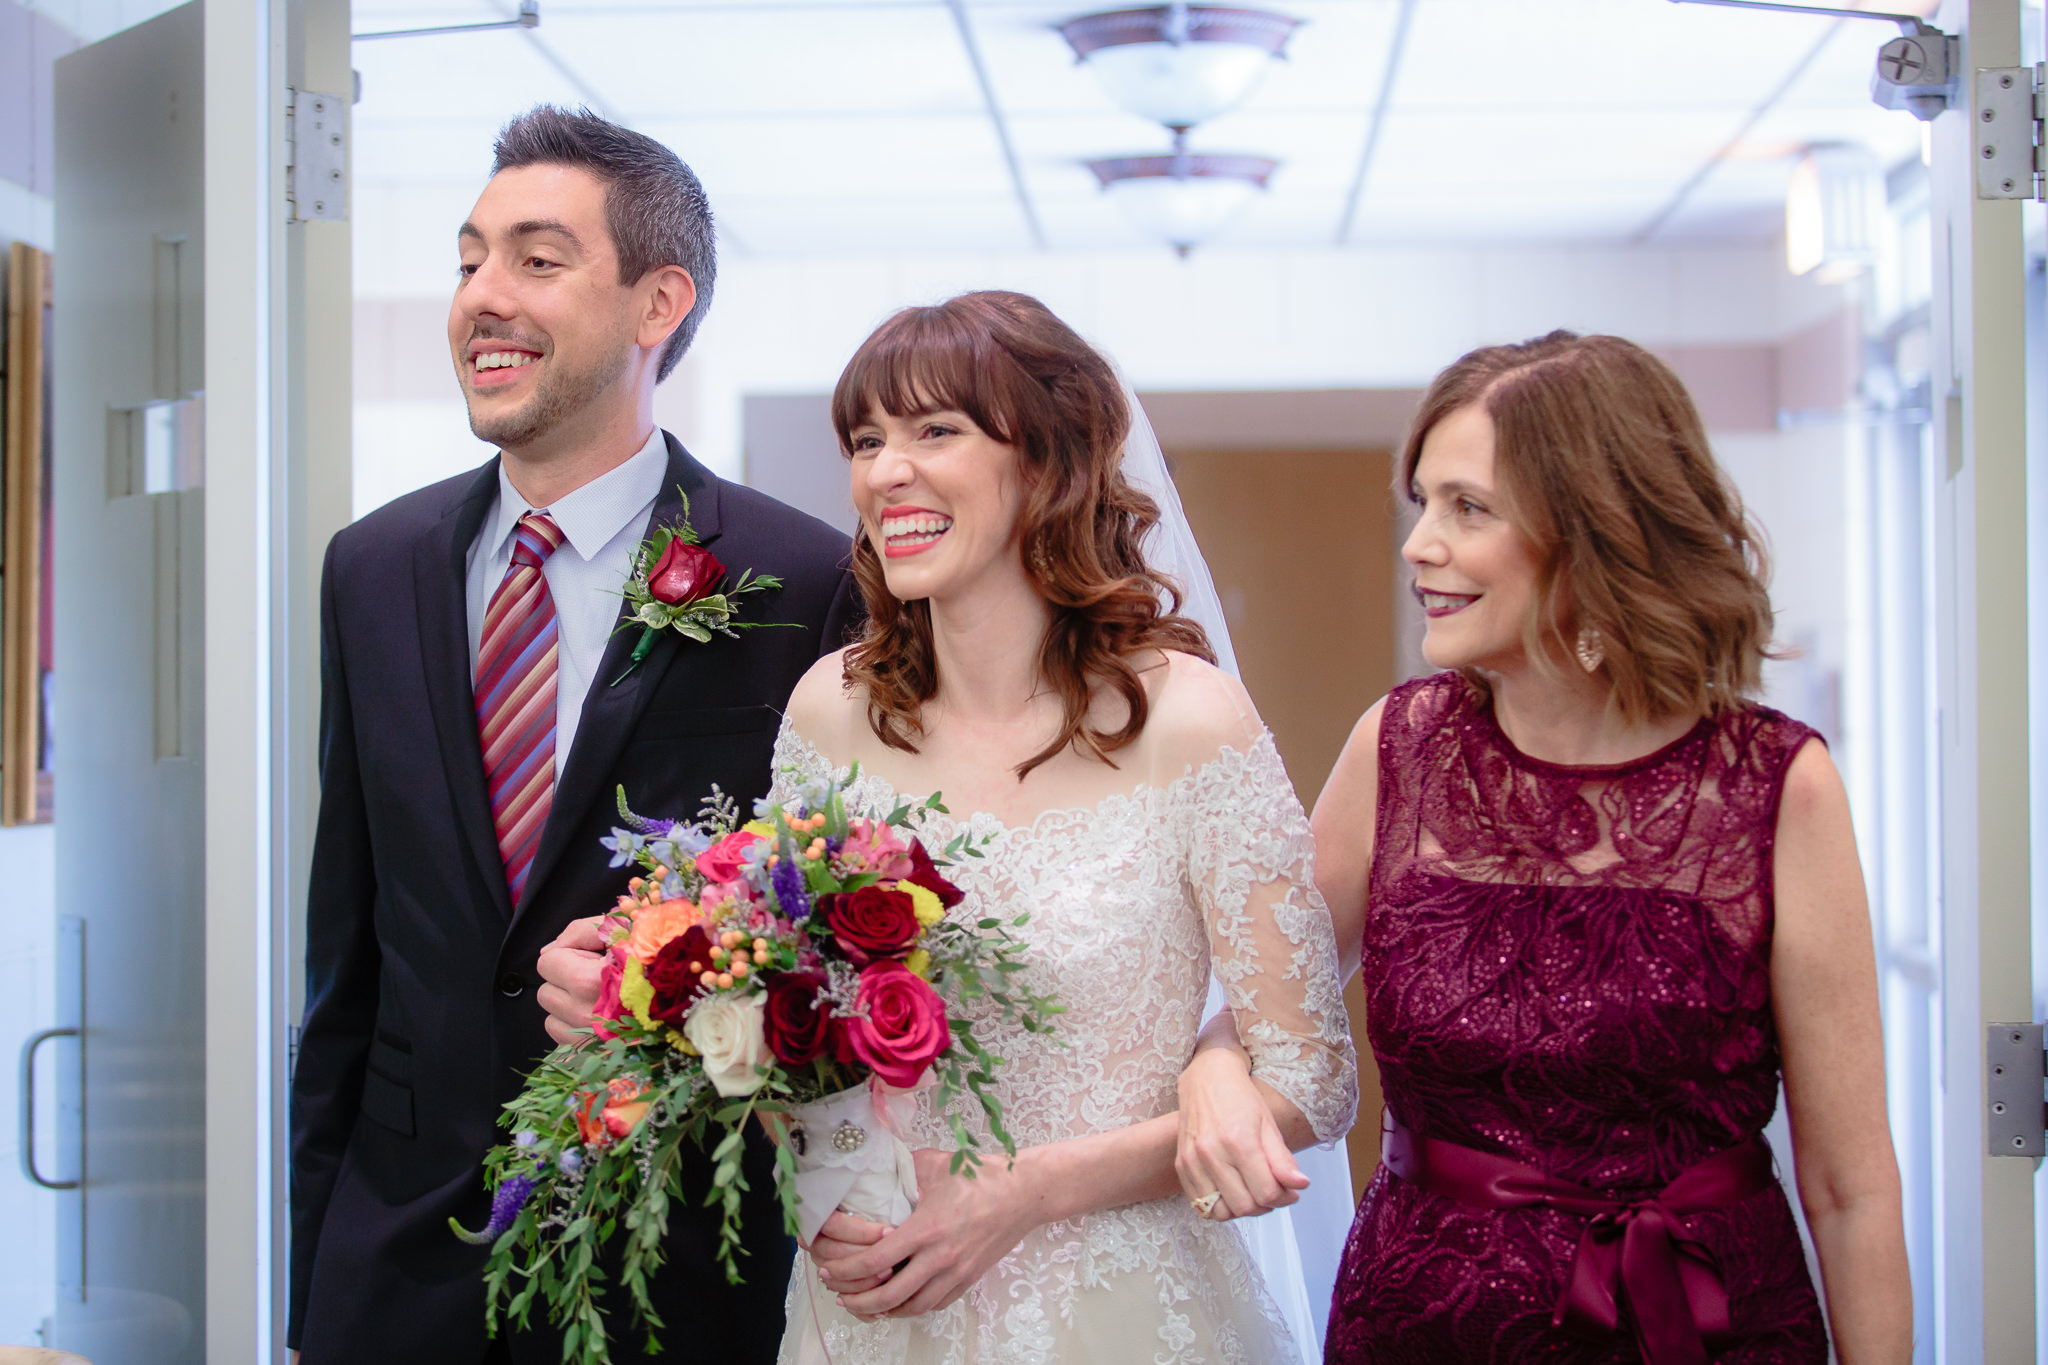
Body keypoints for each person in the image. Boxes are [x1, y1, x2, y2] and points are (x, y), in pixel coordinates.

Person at [1178, 330, 1912, 1362]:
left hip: (1706, 1327)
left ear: (1597, 528)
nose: (1418, 543)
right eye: (1420, 502)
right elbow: (1265, 1009)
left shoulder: (1775, 783)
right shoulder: (1397, 747)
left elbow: (1848, 1185)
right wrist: (1210, 1069)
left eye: (1465, 508)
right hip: (1422, 1326)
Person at [287, 106, 860, 1365]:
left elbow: (837, 957)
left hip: (673, 1271)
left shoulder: (800, 579)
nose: (481, 298)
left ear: (658, 303)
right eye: (467, 259)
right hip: (394, 1267)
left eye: (536, 262)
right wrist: (310, 1285)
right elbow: (350, 952)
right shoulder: (368, 567)